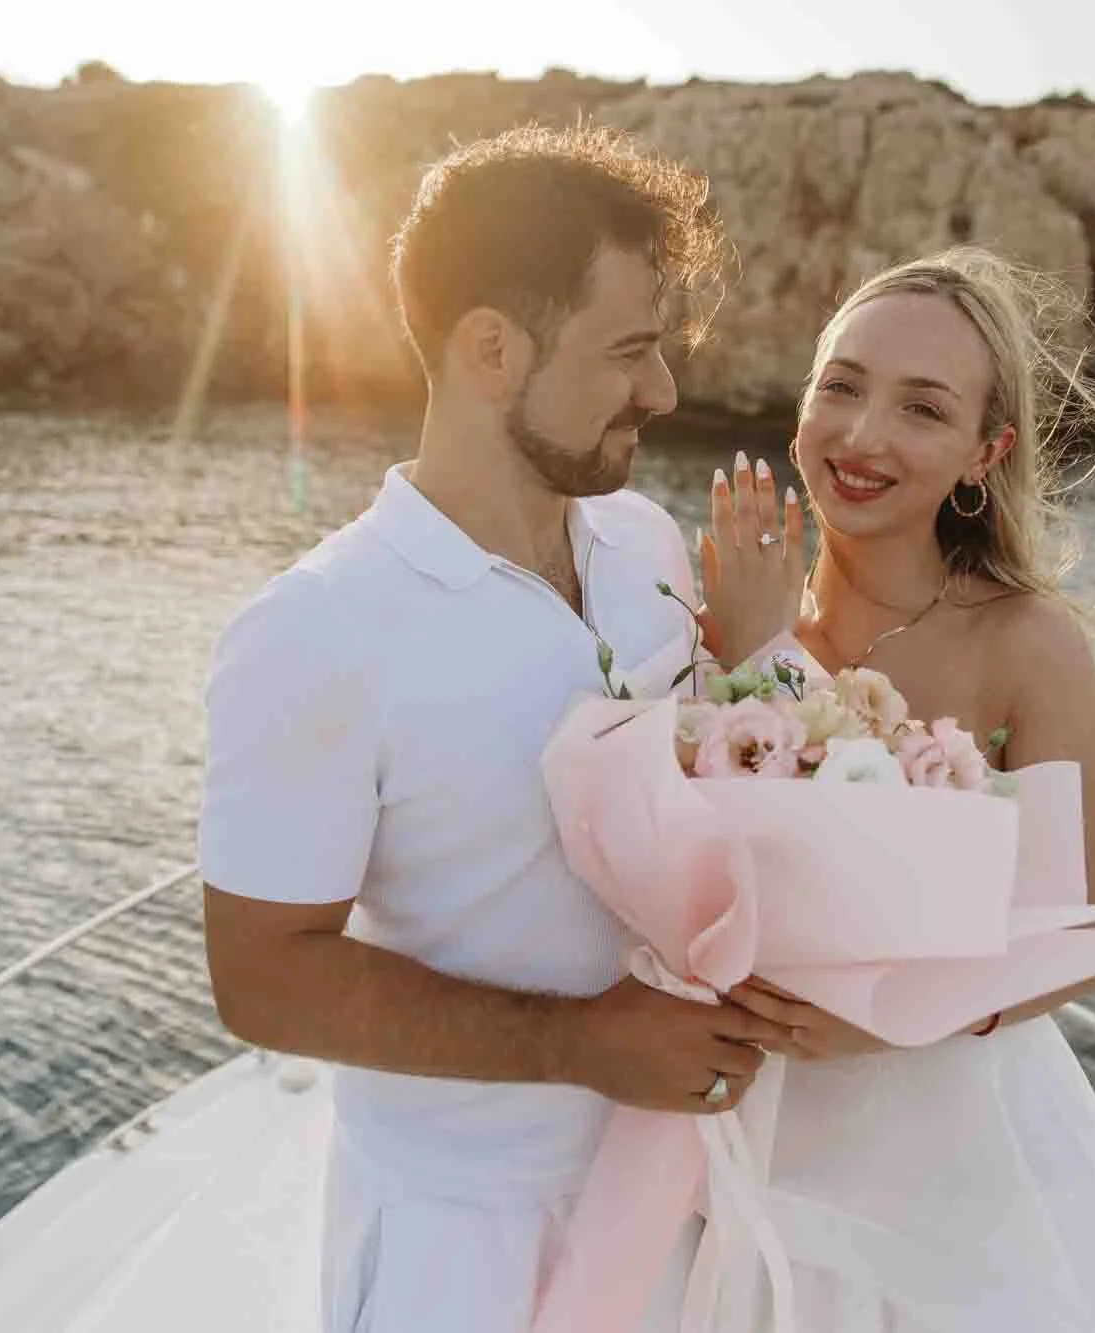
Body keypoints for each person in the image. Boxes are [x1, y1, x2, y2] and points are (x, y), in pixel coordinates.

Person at [197, 125, 796, 1333]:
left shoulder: (639, 544)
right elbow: (261, 980)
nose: (664, 392)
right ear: (489, 348)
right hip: (455, 1248)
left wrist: (752, 656)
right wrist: (580, 1044)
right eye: (629, 349)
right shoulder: (316, 630)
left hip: (683, 1198)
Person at [697, 246, 1095, 1330]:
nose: (861, 435)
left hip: (938, 1146)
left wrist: (880, 1025)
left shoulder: (1024, 643)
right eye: (840, 385)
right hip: (735, 1120)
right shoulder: (724, 604)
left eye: (920, 409)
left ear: (985, 453)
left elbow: (1074, 930)